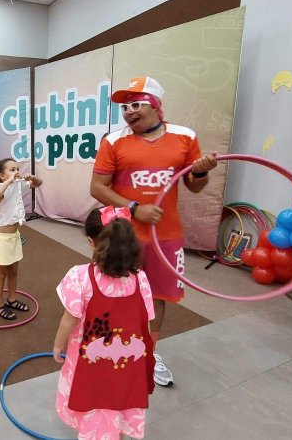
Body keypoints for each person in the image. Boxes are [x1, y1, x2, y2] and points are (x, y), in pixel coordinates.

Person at [90, 76, 218, 386]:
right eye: (124, 107)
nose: (129, 112)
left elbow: (195, 186)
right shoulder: (113, 140)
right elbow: (97, 187)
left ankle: (147, 351)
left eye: (136, 104)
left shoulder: (184, 137)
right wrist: (134, 208)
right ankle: (108, 349)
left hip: (166, 235)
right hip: (120, 233)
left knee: (156, 297)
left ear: (156, 105)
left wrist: (200, 170)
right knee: (113, 292)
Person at [52, 206, 154, 440]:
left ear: (91, 242)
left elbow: (69, 318)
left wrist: (58, 345)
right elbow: (145, 323)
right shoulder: (140, 278)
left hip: (91, 366)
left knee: (95, 408)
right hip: (128, 362)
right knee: (120, 401)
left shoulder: (79, 276)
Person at [0, 158, 42, 320]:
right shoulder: (0, 187)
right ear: (2, 175)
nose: (16, 171)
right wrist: (10, 181)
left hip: (14, 236)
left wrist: (31, 177)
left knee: (13, 271)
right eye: (12, 170)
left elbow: (39, 183)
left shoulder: (19, 185)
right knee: (1, 273)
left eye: (17, 169)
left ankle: (11, 299)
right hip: (1, 239)